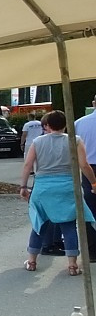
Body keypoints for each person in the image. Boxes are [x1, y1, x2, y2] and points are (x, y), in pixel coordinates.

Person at [20, 110, 96, 275]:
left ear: (47, 125)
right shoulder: (75, 141)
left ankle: (32, 261)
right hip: (67, 187)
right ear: (66, 125)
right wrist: (93, 182)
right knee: (68, 226)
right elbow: (84, 165)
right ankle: (72, 265)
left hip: (43, 188)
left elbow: (27, 165)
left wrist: (23, 187)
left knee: (39, 223)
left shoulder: (38, 142)